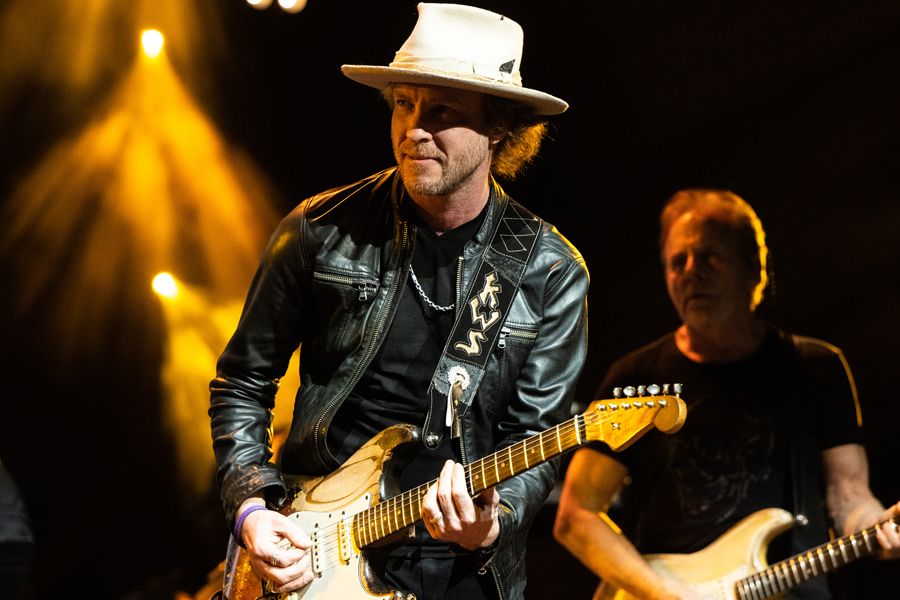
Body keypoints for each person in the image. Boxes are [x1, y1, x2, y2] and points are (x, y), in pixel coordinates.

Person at [208, 4, 589, 600]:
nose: (414, 129)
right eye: (404, 104)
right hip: (311, 553)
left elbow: (536, 439)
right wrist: (253, 510)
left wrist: (492, 522)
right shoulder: (318, 229)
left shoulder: (549, 272)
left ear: (499, 128)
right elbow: (241, 382)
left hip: (461, 573)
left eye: (441, 112)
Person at [553, 189, 900, 599]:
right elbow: (576, 514)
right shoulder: (635, 377)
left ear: (754, 268)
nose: (691, 272)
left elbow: (851, 498)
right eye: (677, 261)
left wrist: (878, 525)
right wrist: (666, 594)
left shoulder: (815, 367)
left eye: (710, 256)